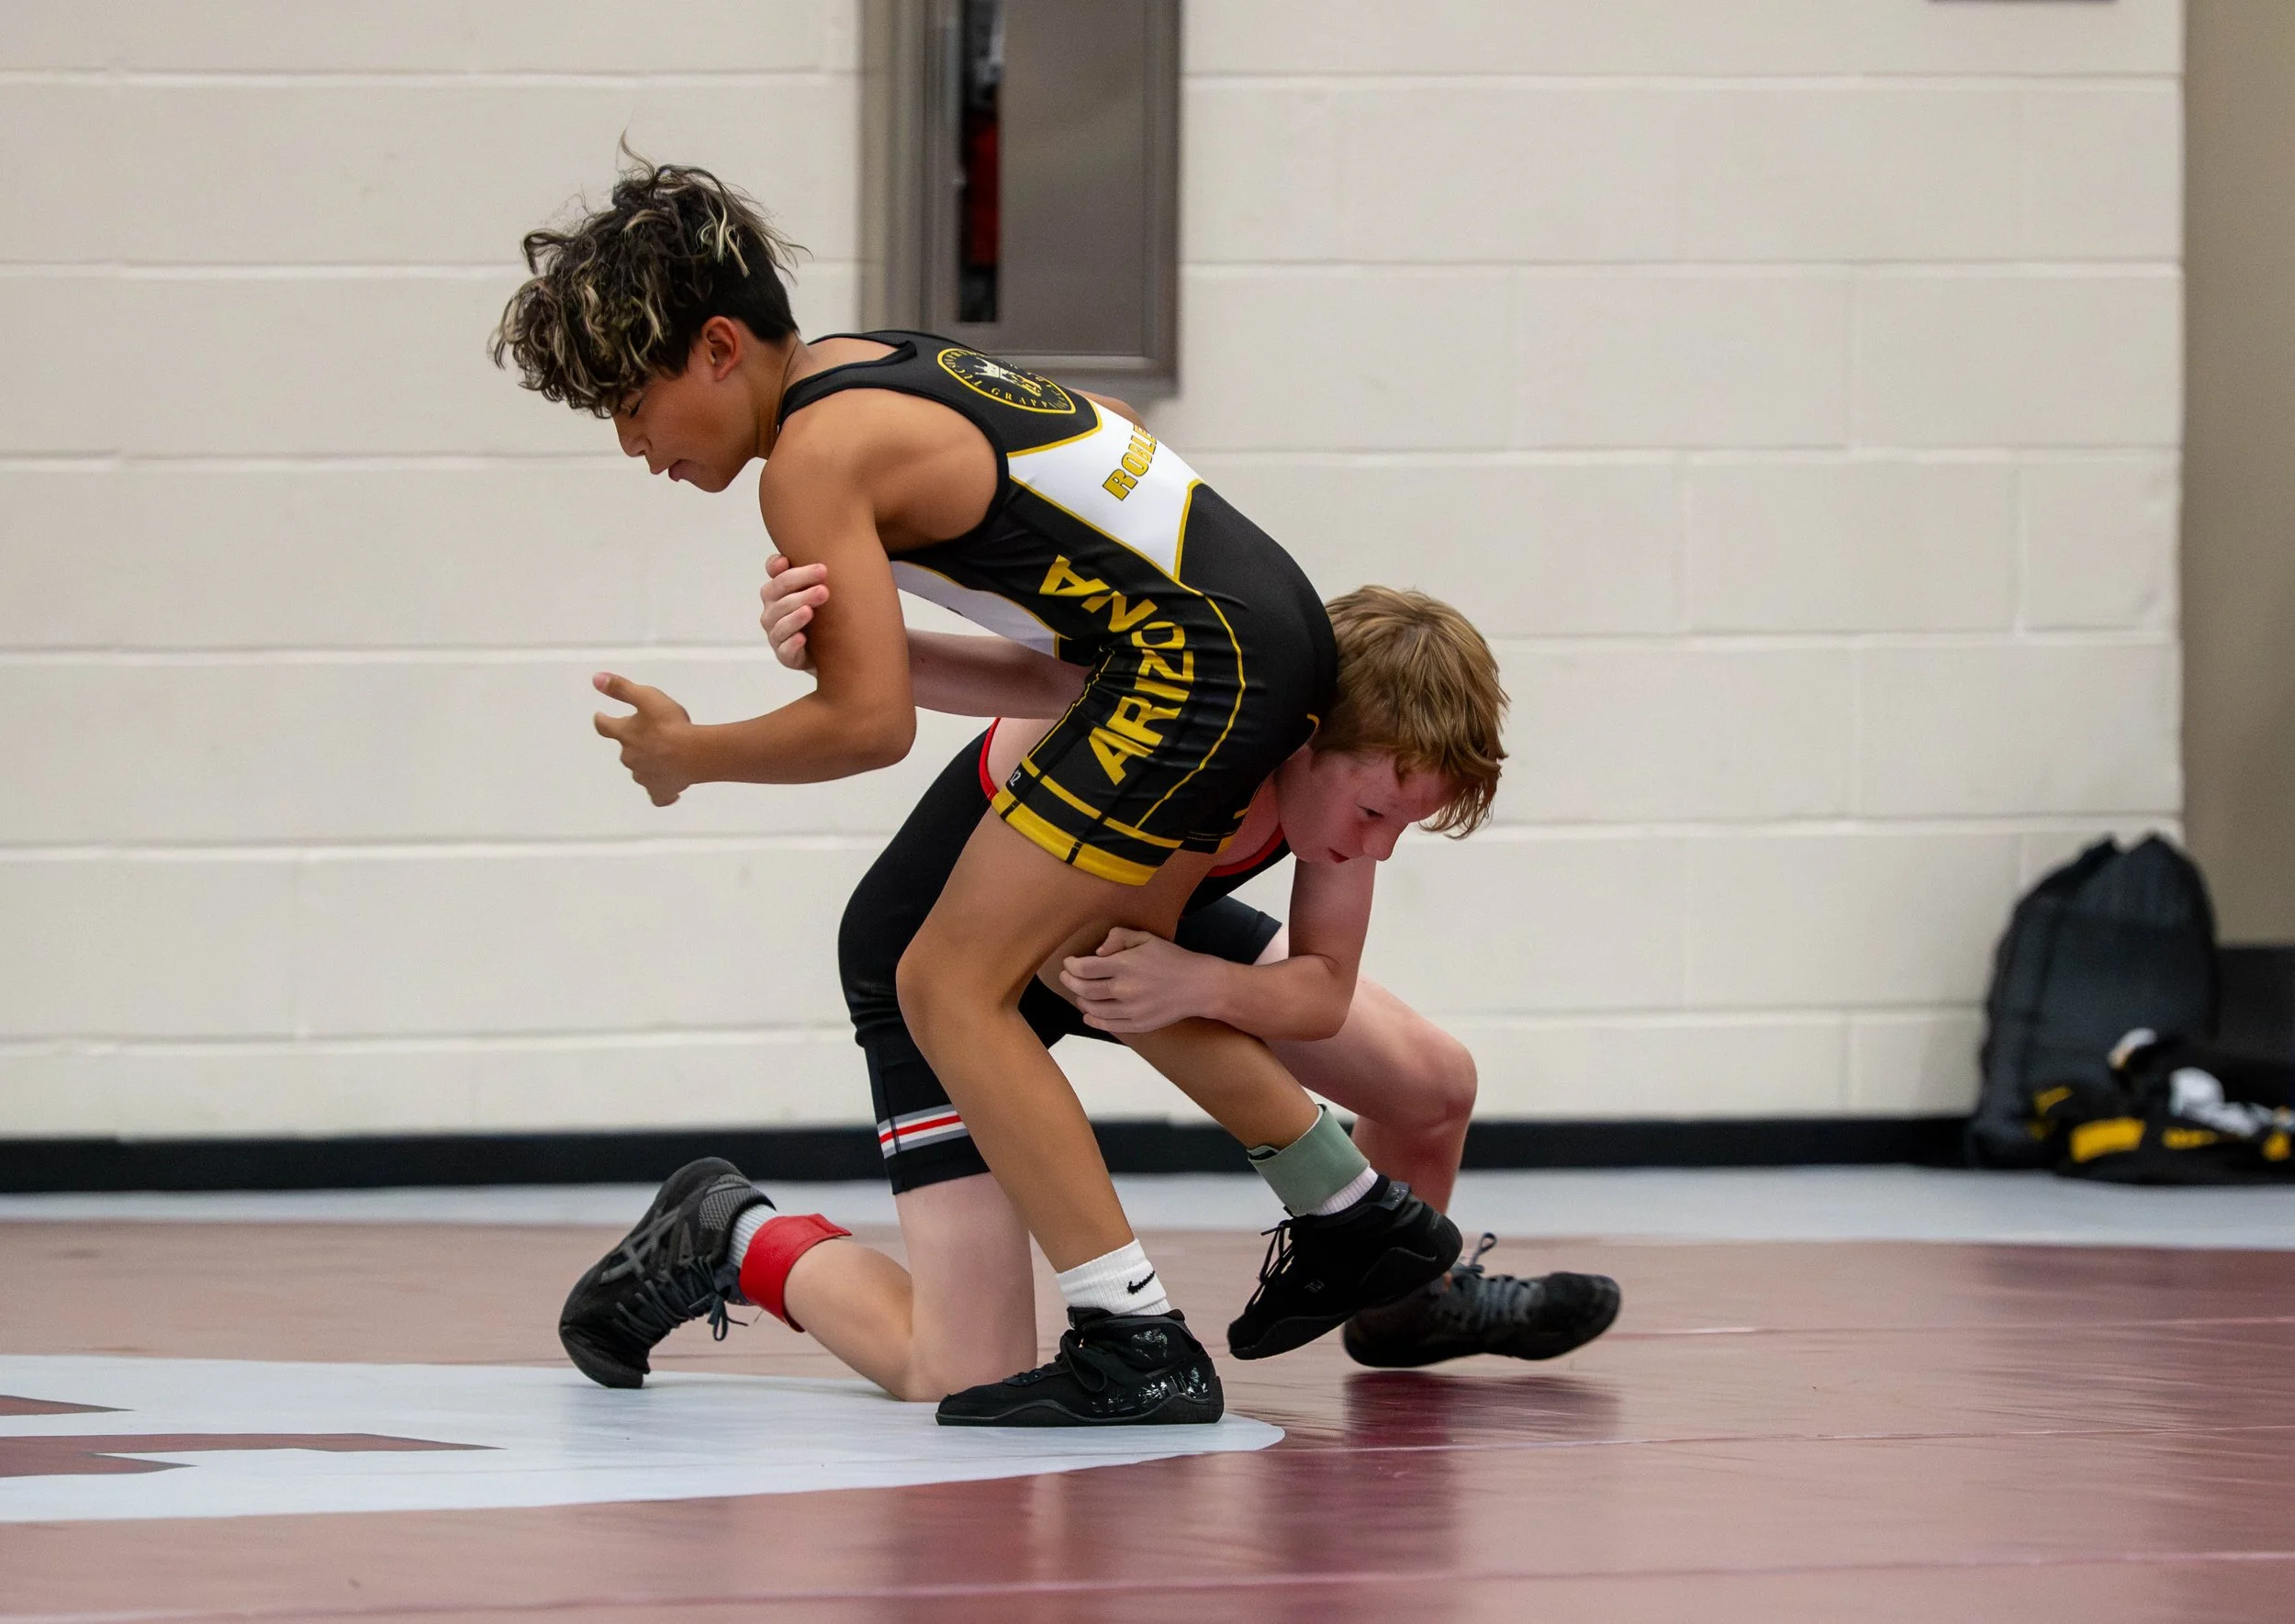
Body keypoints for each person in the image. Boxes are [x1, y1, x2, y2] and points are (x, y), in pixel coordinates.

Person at [495, 158, 1458, 1426]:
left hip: (1194, 660)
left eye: (630, 402)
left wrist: (695, 752)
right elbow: (1094, 462)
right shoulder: (886, 363)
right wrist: (869, 629)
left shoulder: (811, 457)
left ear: (718, 348)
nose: (634, 445)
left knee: (948, 982)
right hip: (1248, 629)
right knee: (1092, 959)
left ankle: (1148, 1328)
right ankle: (1338, 1220)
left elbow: (868, 727)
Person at [555, 575, 1621, 1409]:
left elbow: (1323, 991)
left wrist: (1204, 978)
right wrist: (842, 640)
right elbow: (1027, 699)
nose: (1374, 846)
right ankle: (726, 1231)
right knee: (959, 1366)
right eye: (1376, 810)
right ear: (1303, 736)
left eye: (1402, 823)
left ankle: (1404, 1307)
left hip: (1127, 927)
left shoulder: (1333, 782)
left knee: (1433, 1084)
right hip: (942, 962)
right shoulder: (1179, 730)